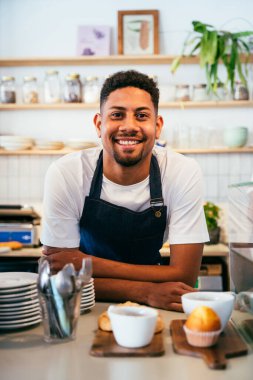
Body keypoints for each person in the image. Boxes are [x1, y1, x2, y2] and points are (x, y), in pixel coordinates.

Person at [41, 70, 209, 311]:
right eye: (117, 115)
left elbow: (184, 275)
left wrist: (82, 263)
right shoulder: (67, 173)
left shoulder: (181, 171)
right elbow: (60, 275)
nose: (129, 126)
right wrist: (144, 290)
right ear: (99, 124)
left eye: (141, 115)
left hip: (153, 307)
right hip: (83, 305)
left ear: (157, 125)